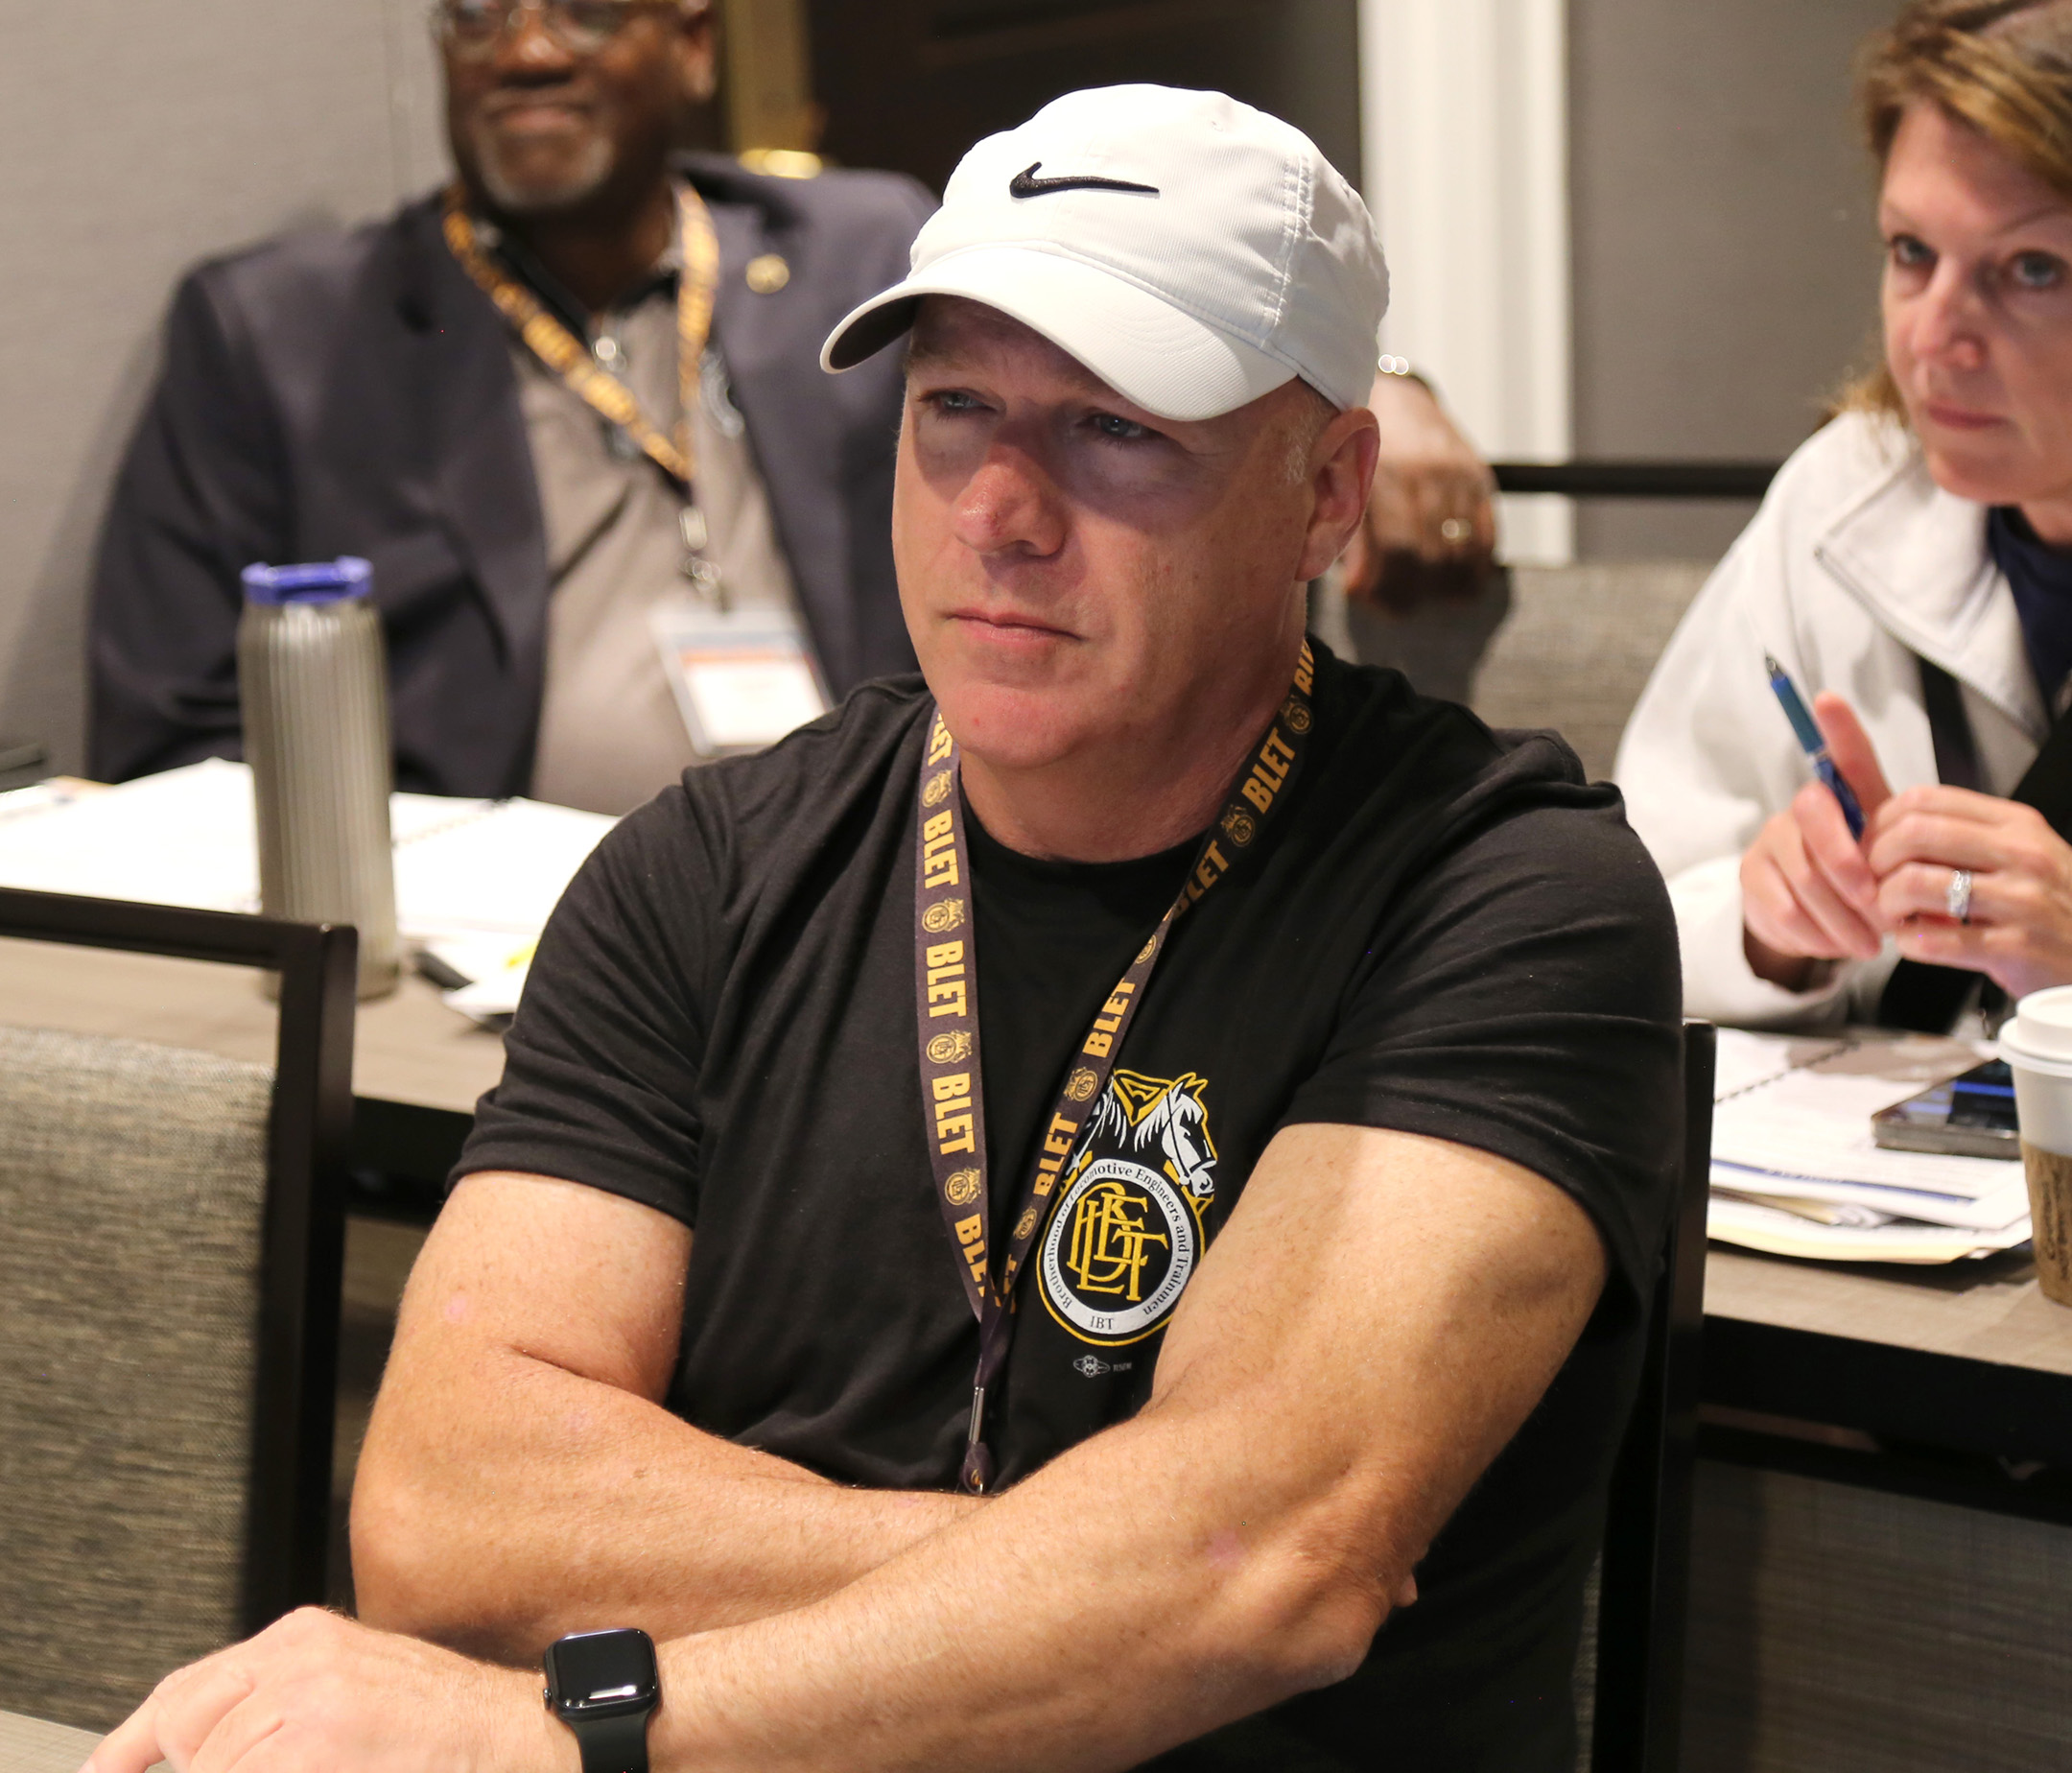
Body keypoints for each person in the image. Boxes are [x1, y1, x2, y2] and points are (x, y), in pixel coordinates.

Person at [89, 86, 1679, 1773]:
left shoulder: (1506, 896)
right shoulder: (706, 866)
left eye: (1115, 428)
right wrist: (1097, 1587)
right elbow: (439, 1511)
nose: (999, 507)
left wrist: (556, 1737)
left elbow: (1255, 1564)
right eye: (954, 408)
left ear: (1327, 490)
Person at [86, 0, 1495, 816]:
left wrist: (1384, 386)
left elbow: (1123, 308)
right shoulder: (287, 331)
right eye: (477, 12)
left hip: (889, 862)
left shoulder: (850, 247)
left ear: (694, 41)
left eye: (586, 5)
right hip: (503, 929)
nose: (525, 50)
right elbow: (165, 742)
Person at [1617, 0, 2072, 1032]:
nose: (1933, 336)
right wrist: (1768, 927)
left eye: (2032, 269)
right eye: (1912, 251)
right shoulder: (1841, 498)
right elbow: (1633, 907)